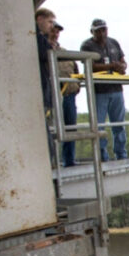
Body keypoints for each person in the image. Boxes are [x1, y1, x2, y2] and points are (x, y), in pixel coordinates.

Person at [80, 18, 127, 162]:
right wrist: (110, 66)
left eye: (104, 29)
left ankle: (121, 155)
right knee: (99, 126)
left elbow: (123, 61)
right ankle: (102, 157)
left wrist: (121, 67)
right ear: (92, 32)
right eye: (98, 31)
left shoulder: (113, 42)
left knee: (119, 124)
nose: (102, 33)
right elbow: (89, 65)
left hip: (116, 89)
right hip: (99, 91)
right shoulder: (87, 45)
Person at [47, 20, 80, 167]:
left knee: (70, 128)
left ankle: (69, 160)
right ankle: (52, 162)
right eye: (53, 31)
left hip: (69, 96)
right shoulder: (42, 51)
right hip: (51, 97)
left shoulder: (65, 52)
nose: (55, 34)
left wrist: (76, 86)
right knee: (52, 128)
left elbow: (76, 70)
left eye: (57, 32)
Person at [35, 7, 57, 164]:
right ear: (39, 19)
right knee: (42, 128)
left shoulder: (38, 36)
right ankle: (49, 161)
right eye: (50, 22)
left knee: (44, 127)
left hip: (41, 88)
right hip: (38, 90)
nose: (52, 26)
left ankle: (50, 160)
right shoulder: (35, 36)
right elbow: (46, 53)